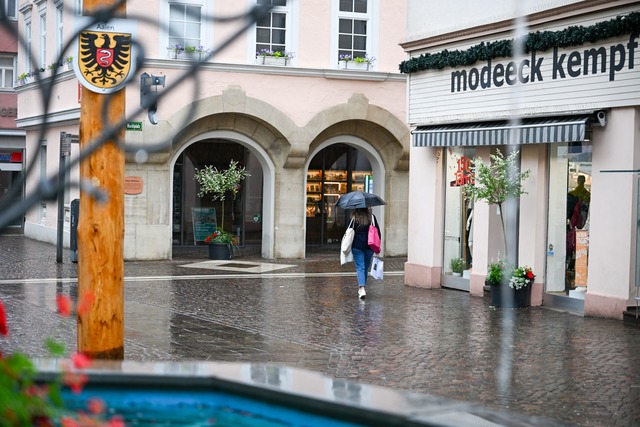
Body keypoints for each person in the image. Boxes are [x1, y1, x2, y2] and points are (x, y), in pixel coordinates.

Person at [348, 207, 381, 299]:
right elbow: (378, 232)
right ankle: (362, 288)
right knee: (365, 267)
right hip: (370, 246)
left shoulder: (354, 218)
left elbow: (348, 231)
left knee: (360, 267)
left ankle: (362, 288)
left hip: (357, 246)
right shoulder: (372, 217)